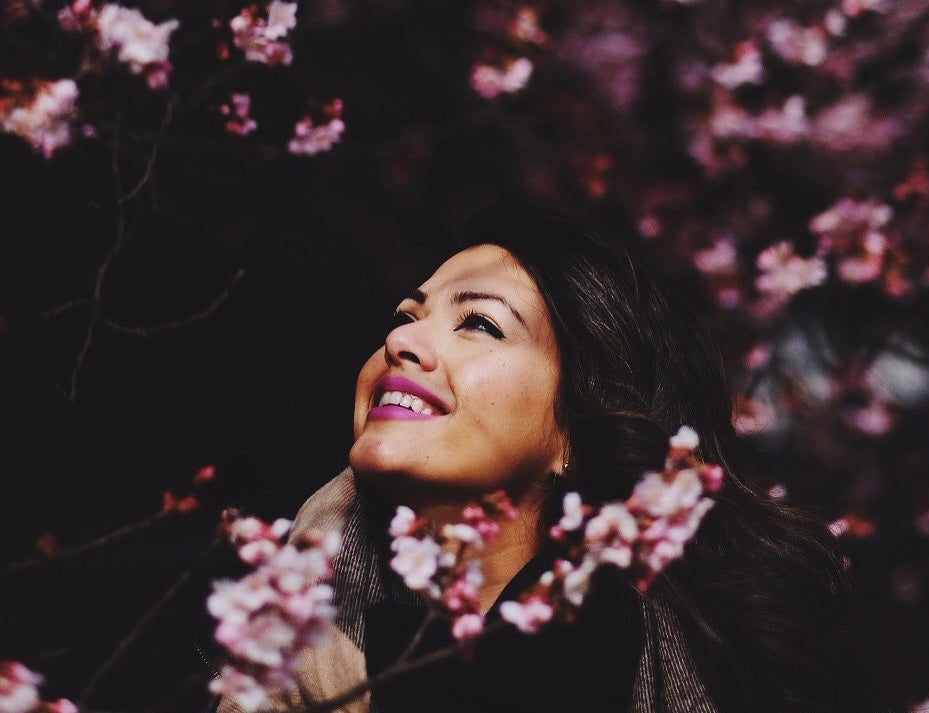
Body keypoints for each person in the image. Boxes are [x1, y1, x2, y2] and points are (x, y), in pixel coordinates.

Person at [218, 203, 889, 713]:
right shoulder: (292, 614)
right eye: (406, 315)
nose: (406, 341)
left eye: (478, 322)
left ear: (573, 429)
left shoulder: (652, 669)